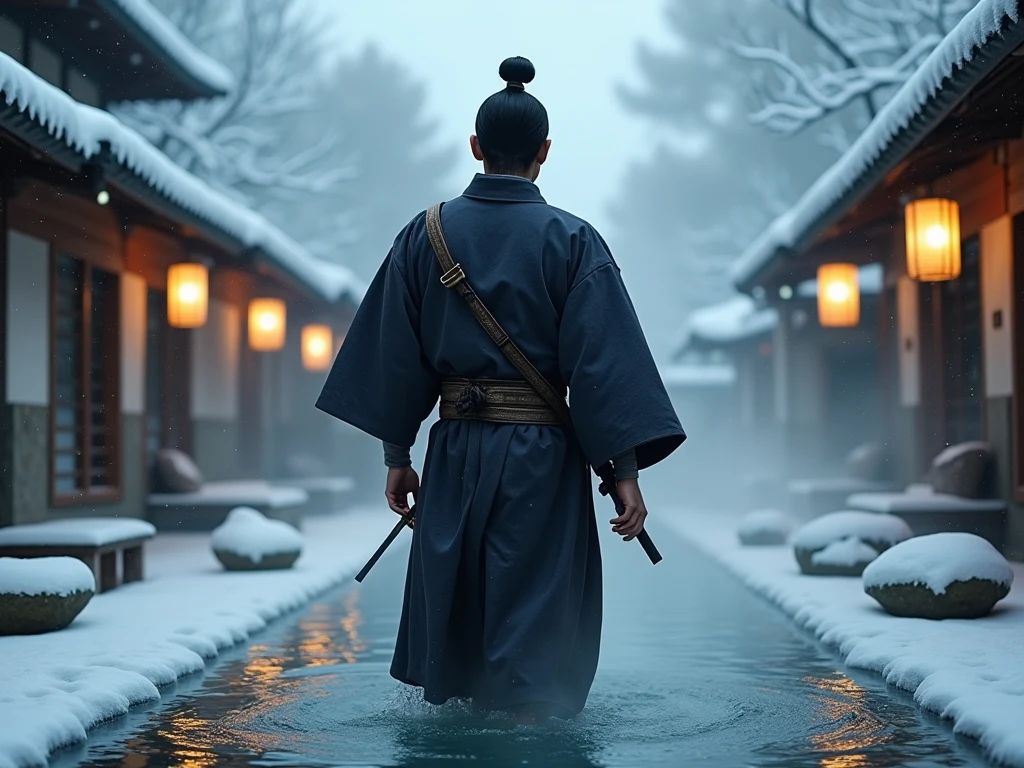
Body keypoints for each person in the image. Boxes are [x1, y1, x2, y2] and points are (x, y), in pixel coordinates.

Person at [316, 56, 685, 720]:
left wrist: (397, 456)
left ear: (476, 148)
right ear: (544, 153)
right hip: (541, 457)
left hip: (455, 449)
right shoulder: (573, 241)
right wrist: (624, 468)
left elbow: (395, 357)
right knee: (534, 594)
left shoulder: (424, 236)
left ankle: (460, 725)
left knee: (460, 588)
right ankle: (531, 733)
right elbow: (603, 365)